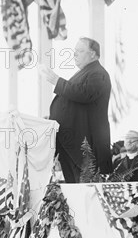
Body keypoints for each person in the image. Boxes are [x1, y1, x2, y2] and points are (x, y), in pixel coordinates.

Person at [40, 37, 112, 183]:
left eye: (80, 51)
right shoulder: (86, 72)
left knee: (83, 190)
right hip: (71, 144)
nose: (75, 55)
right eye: (75, 51)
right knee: (74, 189)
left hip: (84, 145)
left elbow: (85, 94)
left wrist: (57, 81)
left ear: (92, 54)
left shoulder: (98, 73)